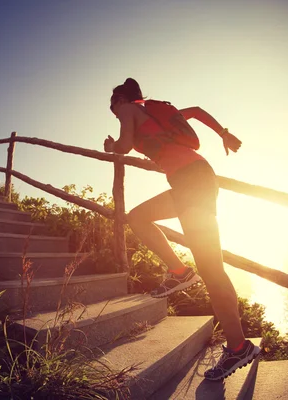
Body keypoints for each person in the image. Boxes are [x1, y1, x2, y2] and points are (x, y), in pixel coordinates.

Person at [104, 78, 260, 381]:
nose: (115, 115)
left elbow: (123, 146)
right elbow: (198, 111)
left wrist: (112, 146)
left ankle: (237, 344)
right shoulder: (160, 109)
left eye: (114, 110)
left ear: (120, 100)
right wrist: (224, 134)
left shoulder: (127, 109)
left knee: (212, 270)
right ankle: (180, 273)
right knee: (139, 218)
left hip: (190, 182)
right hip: (195, 178)